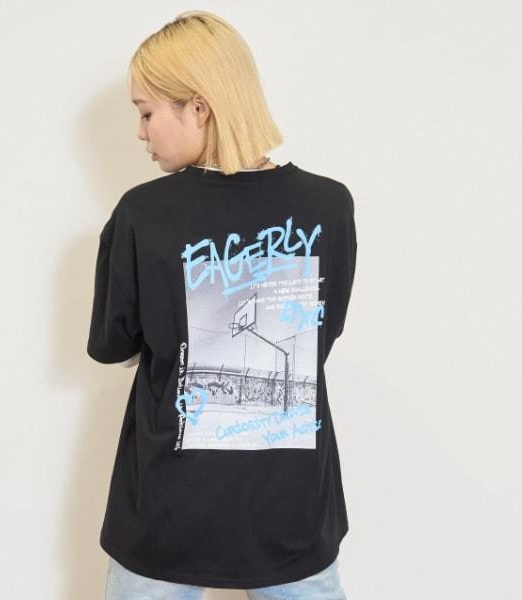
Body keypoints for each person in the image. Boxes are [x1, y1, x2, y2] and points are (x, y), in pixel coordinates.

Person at [87, 9, 357, 600]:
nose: (140, 132)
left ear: (199, 108)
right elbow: (322, 334)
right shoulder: (330, 206)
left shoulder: (142, 214)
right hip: (292, 511)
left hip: (167, 512)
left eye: (146, 112)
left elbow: (113, 344)